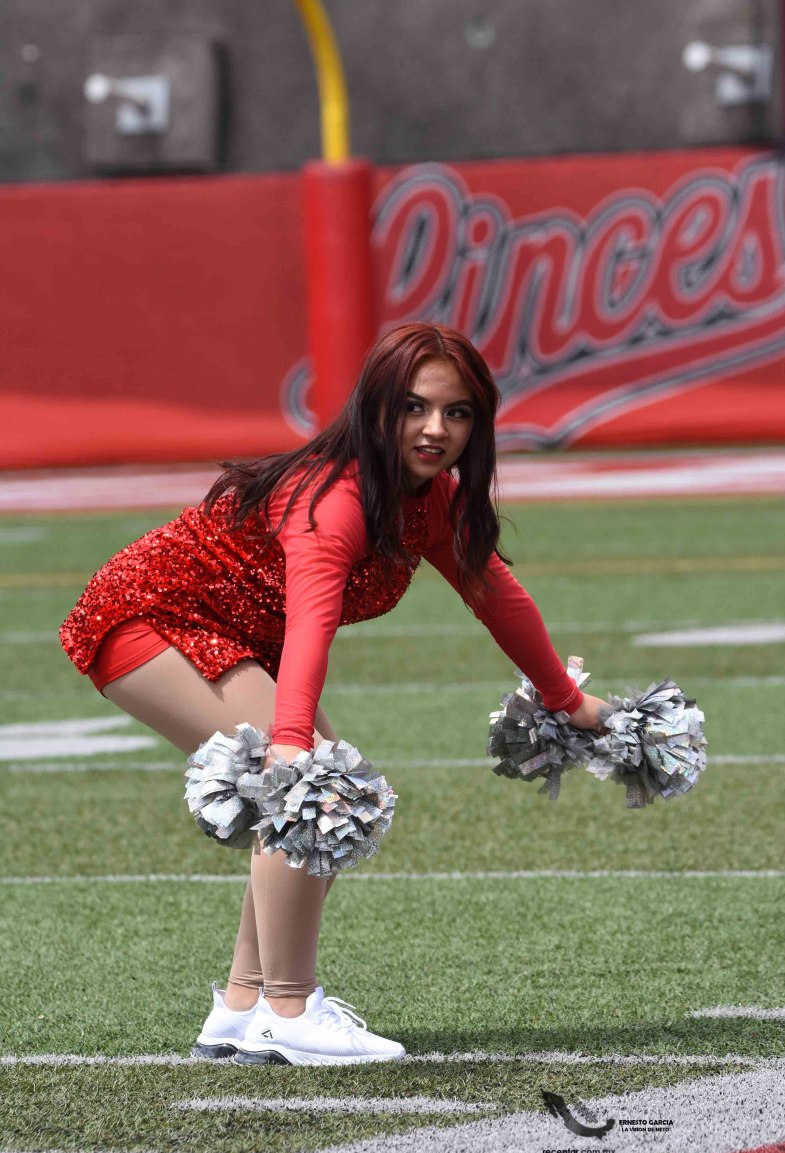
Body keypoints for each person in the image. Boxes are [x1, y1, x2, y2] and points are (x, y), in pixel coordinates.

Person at [59, 322, 608, 1067]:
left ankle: (243, 1005)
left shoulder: (430, 497)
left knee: (319, 789)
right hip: (151, 615)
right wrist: (292, 745)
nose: (435, 429)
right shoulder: (335, 497)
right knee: (315, 789)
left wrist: (565, 699)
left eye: (457, 413)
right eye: (413, 407)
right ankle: (290, 1009)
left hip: (232, 632)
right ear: (375, 407)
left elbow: (496, 596)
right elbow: (311, 623)